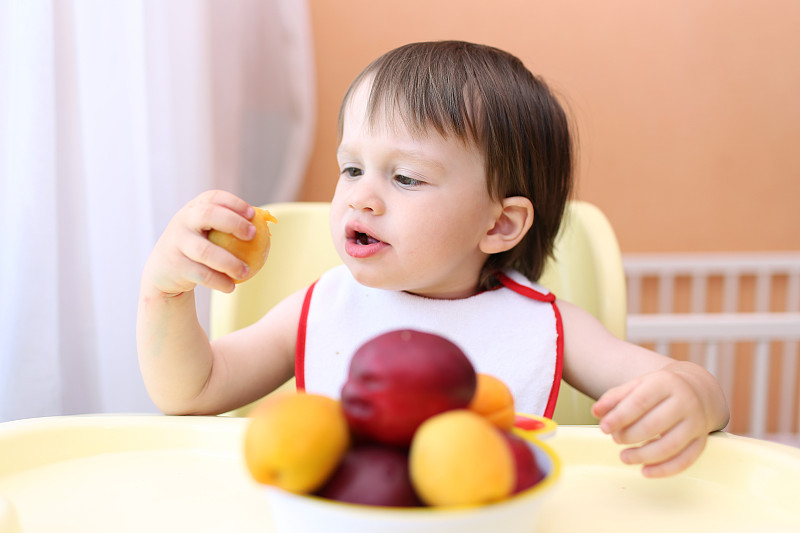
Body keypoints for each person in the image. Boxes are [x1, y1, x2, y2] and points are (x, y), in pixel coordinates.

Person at [137, 41, 729, 477]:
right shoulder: (321, 307)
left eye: (406, 177)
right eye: (351, 168)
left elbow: (686, 386)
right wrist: (164, 292)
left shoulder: (550, 326)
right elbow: (194, 391)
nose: (360, 196)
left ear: (498, 224)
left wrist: (694, 399)